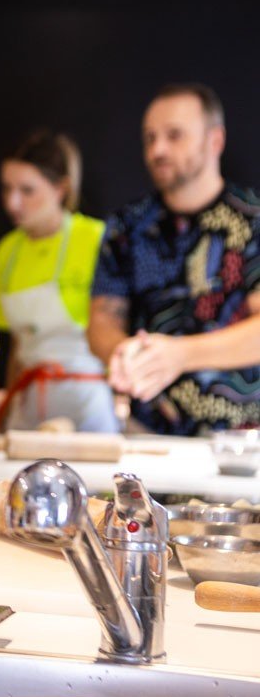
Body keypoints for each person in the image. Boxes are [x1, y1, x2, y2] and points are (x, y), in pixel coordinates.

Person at [89, 83, 260, 436]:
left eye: (174, 135)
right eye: (150, 138)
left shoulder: (253, 219)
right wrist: (128, 355)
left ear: (215, 140)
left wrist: (180, 355)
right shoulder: (127, 226)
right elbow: (102, 320)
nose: (158, 149)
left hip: (241, 438)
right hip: (145, 433)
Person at [0, 131, 117, 432]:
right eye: (7, 188)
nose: (12, 202)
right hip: (29, 398)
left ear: (62, 188)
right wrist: (5, 409)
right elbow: (18, 347)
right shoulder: (5, 253)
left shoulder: (96, 240)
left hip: (87, 398)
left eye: (27, 190)